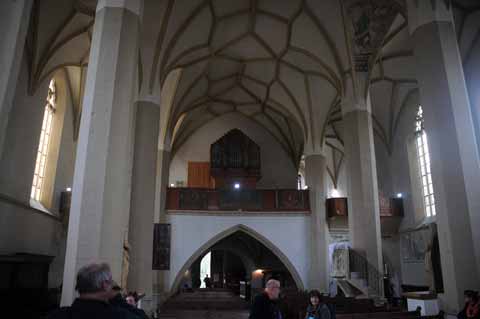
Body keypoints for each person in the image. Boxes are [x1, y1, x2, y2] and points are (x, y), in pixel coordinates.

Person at [47, 263, 138, 319]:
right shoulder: (119, 316)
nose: (112, 284)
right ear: (105, 285)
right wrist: (117, 298)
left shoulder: (57, 315)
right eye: (111, 281)